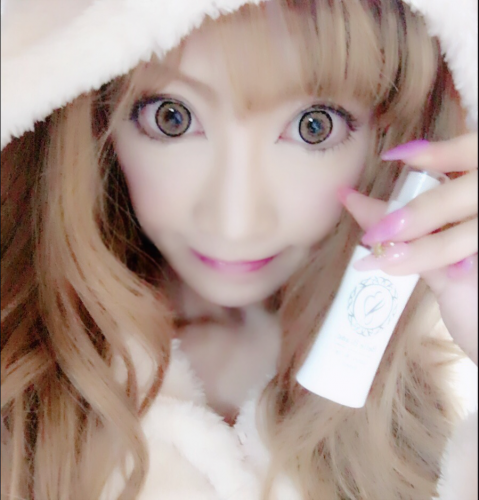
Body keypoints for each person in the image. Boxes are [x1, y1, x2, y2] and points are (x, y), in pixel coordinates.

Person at [1, 0, 477, 499]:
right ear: (94, 116)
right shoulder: (16, 393)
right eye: (172, 118)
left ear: (398, 132)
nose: (235, 223)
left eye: (313, 126)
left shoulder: (438, 398)